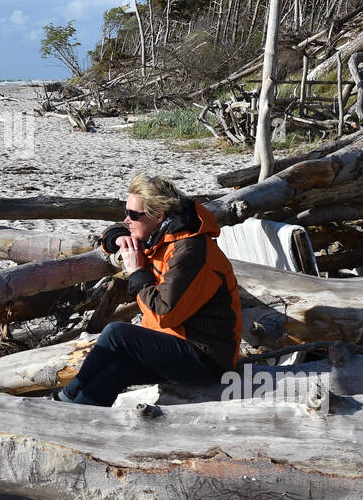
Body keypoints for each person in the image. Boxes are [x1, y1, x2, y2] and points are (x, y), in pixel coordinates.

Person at [52, 174, 241, 406]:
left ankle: (64, 400)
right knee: (116, 370)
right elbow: (112, 232)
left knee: (116, 333)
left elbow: (164, 314)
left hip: (207, 358)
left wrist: (137, 272)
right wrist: (120, 239)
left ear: (158, 215)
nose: (126, 219)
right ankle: (79, 421)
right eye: (126, 212)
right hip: (174, 344)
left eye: (133, 215)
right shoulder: (159, 233)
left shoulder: (189, 250)